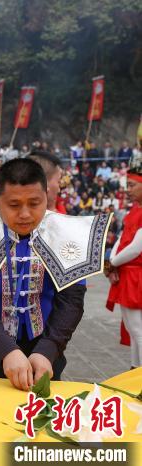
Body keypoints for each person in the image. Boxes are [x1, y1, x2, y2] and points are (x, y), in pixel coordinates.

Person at [0, 158, 112, 390]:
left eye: (34, 203)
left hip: (46, 349)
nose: (25, 214)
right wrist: (4, 348)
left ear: (46, 196)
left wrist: (48, 349)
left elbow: (71, 300)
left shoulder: (67, 234)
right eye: (14, 205)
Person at [106, 151, 142, 368]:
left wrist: (113, 263)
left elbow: (137, 247)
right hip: (127, 274)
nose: (128, 190)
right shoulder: (134, 211)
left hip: (136, 276)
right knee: (131, 327)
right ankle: (134, 369)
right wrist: (112, 260)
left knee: (138, 328)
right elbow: (121, 240)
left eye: (132, 185)